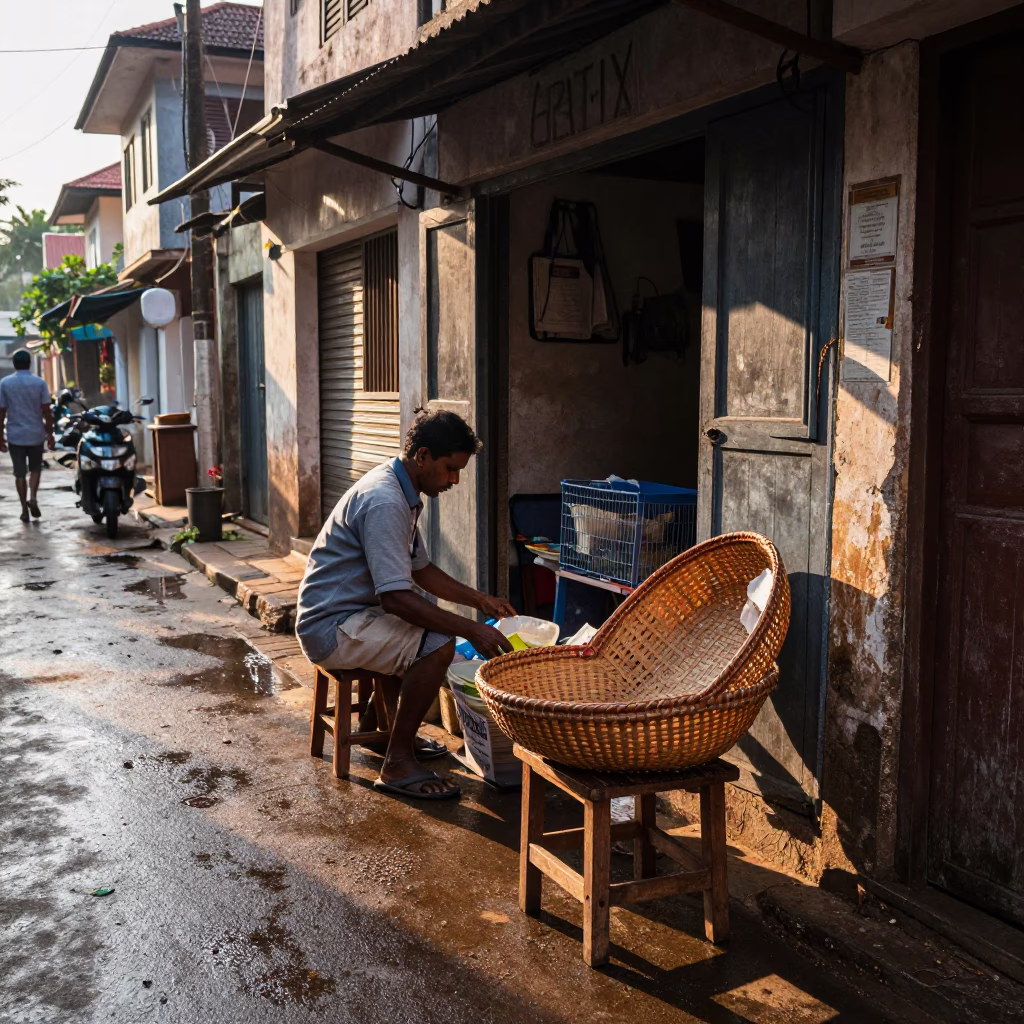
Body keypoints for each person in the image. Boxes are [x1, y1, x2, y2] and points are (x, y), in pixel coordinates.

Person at [296, 407, 516, 800]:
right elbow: (397, 599)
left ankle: (380, 730)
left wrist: (481, 600)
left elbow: (422, 571)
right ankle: (397, 762)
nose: (454, 480)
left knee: (425, 629)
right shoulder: (386, 501)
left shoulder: (401, 491)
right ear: (423, 456)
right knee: (437, 645)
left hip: (353, 615)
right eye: (451, 468)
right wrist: (470, 629)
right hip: (330, 626)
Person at [0, 349, 54, 523]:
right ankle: (33, 497)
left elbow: (1, 412)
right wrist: (50, 433)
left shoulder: (5, 383)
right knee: (36, 469)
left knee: (20, 474)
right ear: (29, 364)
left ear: (14, 364)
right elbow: (47, 411)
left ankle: (24, 509)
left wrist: (0, 436)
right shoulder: (39, 383)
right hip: (36, 434)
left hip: (15, 435)